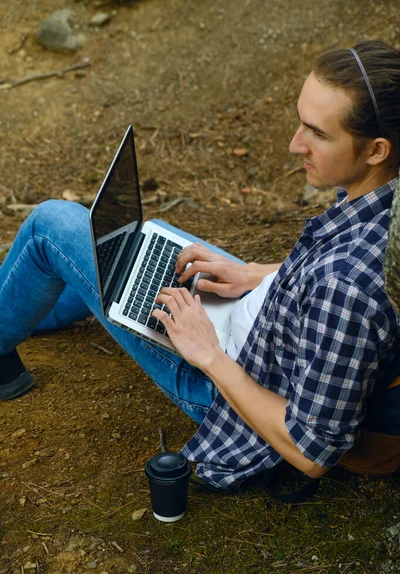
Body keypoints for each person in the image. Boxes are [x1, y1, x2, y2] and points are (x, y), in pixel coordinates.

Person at [1, 39, 400, 489]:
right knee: (141, 246)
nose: (294, 145)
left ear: (376, 150)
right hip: (267, 323)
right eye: (300, 122)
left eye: (318, 133)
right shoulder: (381, 193)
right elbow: (325, 269)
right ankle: (36, 298)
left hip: (233, 389)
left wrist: (206, 353)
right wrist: (253, 273)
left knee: (51, 224)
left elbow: (310, 448)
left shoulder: (346, 286)